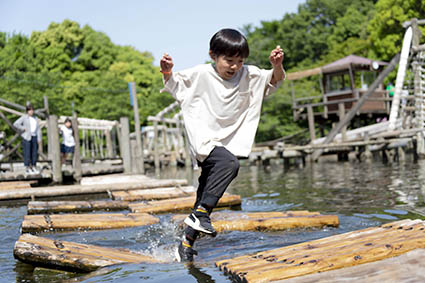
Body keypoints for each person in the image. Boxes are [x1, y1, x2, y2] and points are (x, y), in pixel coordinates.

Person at [160, 28, 285, 262]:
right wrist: (167, 72)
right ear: (212, 55)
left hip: (227, 141)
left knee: (205, 198)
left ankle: (185, 244)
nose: (234, 66)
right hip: (204, 140)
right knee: (229, 164)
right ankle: (200, 216)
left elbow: (273, 80)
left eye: (240, 61)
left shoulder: (249, 74)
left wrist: (276, 65)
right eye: (228, 60)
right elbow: (174, 84)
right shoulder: (200, 74)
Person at [13, 104, 41, 174]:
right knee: (27, 153)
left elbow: (38, 129)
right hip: (27, 137)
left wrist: (39, 138)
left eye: (32, 110)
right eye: (29, 110)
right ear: (27, 111)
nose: (31, 111)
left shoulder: (36, 118)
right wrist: (23, 128)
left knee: (34, 153)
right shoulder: (24, 117)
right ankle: (27, 167)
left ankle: (34, 166)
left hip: (34, 136)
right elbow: (16, 124)